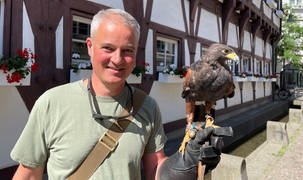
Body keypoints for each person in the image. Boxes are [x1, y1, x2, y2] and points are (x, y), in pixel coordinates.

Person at [11, 8, 222, 180]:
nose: (118, 59)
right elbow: (28, 174)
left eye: (127, 50)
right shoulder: (52, 102)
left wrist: (186, 163)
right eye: (108, 48)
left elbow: (154, 168)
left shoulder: (147, 106)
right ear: (90, 47)